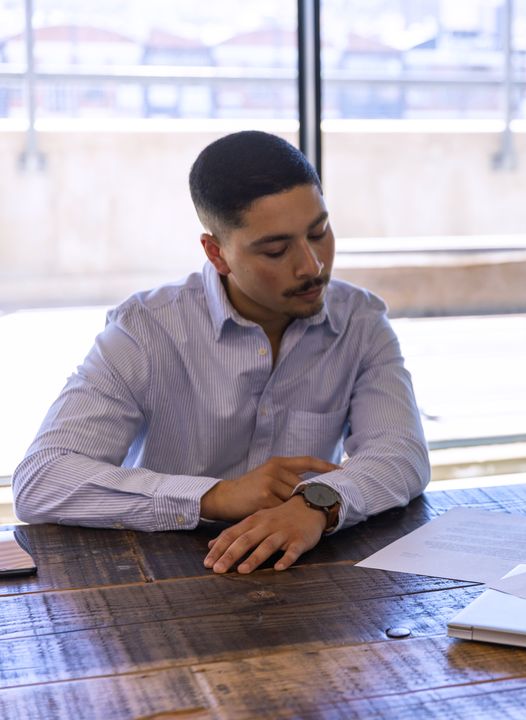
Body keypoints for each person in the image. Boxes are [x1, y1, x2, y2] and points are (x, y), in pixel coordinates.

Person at [13, 131, 430, 576]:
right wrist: (214, 496)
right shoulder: (147, 330)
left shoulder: (360, 321)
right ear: (217, 254)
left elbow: (401, 453)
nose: (312, 265)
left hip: (304, 575)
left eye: (319, 232)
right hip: (162, 579)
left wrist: (318, 503)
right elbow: (42, 479)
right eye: (276, 250)